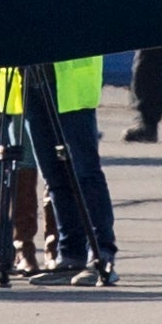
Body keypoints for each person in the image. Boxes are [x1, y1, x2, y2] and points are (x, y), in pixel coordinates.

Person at [36, 52, 118, 285]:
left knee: (84, 172)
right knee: (53, 174)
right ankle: (71, 255)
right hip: (30, 81)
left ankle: (102, 253)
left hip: (70, 81)